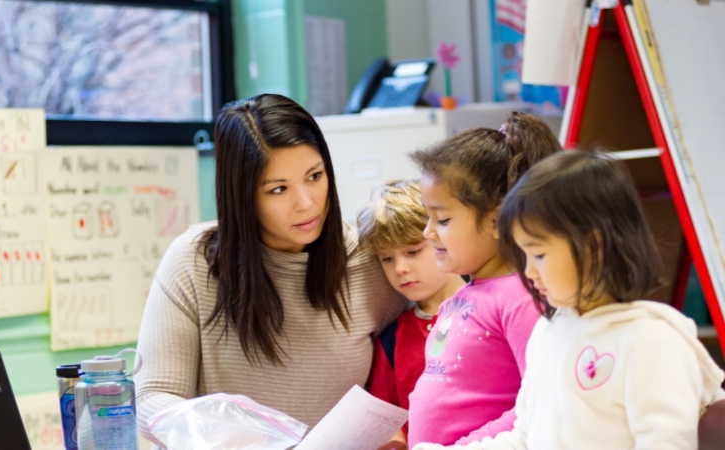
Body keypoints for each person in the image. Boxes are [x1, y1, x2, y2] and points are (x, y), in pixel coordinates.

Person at [133, 94, 407, 446]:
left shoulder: (369, 258)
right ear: (243, 196)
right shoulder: (193, 261)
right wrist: (233, 436)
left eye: (315, 176)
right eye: (278, 189)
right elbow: (152, 399)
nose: (307, 203)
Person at [414, 150, 725, 449]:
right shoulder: (550, 331)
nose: (529, 270)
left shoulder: (650, 339)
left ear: (593, 246)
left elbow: (666, 443)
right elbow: (525, 436)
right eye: (523, 254)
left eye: (538, 254)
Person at [407, 112, 562, 447]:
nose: (427, 231)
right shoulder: (462, 297)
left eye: (443, 219)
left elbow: (539, 404)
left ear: (497, 220)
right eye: (427, 215)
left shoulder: (522, 299)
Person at [356, 179, 465, 449]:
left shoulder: (490, 312)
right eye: (387, 258)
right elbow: (386, 424)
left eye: (413, 251)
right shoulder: (391, 339)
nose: (400, 268)